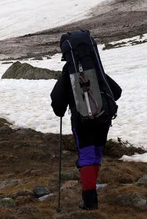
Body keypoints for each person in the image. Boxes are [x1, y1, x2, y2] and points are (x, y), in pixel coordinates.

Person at [50, 35, 122, 211]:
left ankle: (89, 201)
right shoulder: (96, 69)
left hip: (82, 121)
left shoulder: (69, 72)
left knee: (86, 156)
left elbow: (57, 105)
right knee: (96, 153)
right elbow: (117, 91)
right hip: (103, 119)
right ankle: (91, 194)